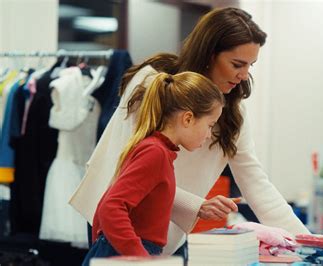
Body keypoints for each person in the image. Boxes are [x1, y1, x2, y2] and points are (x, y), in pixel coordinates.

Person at [70, 7, 310, 256]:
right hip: (121, 225)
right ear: (209, 54)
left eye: (250, 65)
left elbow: (256, 181)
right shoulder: (153, 84)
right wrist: (197, 205)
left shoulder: (232, 111)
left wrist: (306, 242)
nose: (243, 75)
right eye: (237, 64)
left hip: (165, 231)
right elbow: (126, 172)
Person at [81, 72, 225, 266]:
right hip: (126, 254)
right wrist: (141, 259)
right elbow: (111, 207)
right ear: (188, 119)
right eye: (210, 125)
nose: (209, 135)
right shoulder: (154, 152)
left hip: (122, 251)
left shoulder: (159, 151)